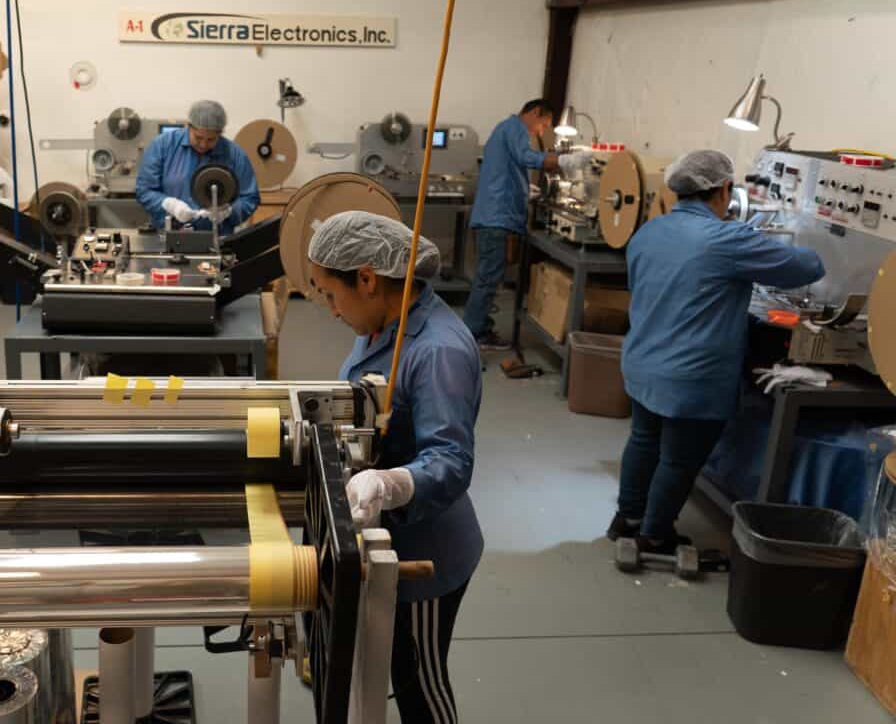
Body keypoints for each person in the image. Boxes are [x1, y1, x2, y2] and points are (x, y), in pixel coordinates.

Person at [308, 211, 483, 724]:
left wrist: (389, 481)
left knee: (418, 681)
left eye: (329, 294)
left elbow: (451, 461)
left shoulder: (437, 351)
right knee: (381, 663)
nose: (330, 310)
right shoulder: (386, 320)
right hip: (379, 532)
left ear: (366, 278)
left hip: (425, 552)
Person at [608, 149, 825, 552]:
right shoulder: (727, 239)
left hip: (642, 362)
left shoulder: (649, 232)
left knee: (643, 439)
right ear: (726, 189)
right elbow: (808, 267)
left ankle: (628, 519)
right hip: (691, 375)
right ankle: (655, 535)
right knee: (678, 457)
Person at [462, 99, 592, 346]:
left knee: (487, 279)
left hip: (494, 215)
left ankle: (480, 328)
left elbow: (509, 169)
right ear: (535, 113)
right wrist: (567, 161)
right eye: (543, 125)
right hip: (496, 218)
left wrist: (524, 190)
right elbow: (527, 157)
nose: (542, 132)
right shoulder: (515, 129)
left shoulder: (504, 130)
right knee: (487, 280)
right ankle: (473, 335)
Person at [135, 100, 259, 235]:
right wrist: (169, 204)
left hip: (217, 239)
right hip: (168, 236)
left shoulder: (235, 155)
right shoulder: (163, 146)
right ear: (189, 127)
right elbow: (144, 190)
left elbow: (250, 198)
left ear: (220, 133)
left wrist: (229, 212)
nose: (203, 144)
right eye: (198, 138)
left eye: (211, 139)